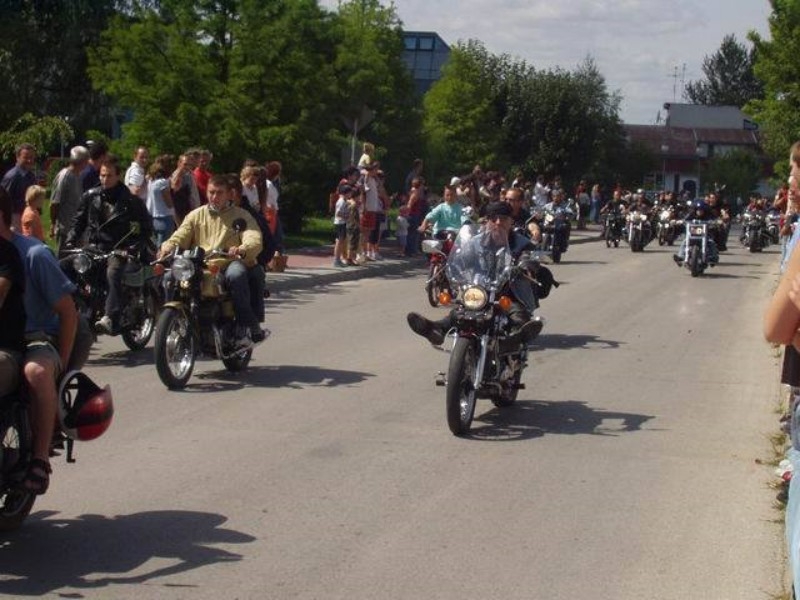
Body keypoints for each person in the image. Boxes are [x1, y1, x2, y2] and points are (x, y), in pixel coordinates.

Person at [1, 186, 92, 495]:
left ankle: (39, 460)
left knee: (37, 372)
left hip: (38, 336)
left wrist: (61, 368)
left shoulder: (34, 255)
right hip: (6, 341)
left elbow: (68, 312)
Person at [406, 201, 544, 349]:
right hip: (481, 288)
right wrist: (451, 264)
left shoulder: (521, 243)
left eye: (503, 218)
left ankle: (517, 337)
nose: (498, 222)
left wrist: (525, 264)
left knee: (515, 310)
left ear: (511, 221)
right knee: (463, 309)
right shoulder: (476, 242)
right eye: (493, 218)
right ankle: (437, 329)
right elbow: (462, 258)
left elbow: (529, 257)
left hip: (510, 290)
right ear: (487, 221)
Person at [159, 174, 265, 342]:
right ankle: (173, 319)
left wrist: (242, 249)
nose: (214, 196)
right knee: (169, 277)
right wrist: (168, 247)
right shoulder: (196, 215)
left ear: (229, 194)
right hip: (199, 262)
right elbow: (181, 235)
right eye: (211, 192)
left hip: (228, 261)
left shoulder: (241, 215)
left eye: (219, 193)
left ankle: (246, 323)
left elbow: (253, 237)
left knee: (236, 275)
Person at [66, 156, 154, 335]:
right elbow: (78, 222)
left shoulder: (131, 201)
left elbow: (145, 228)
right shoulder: (90, 196)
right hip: (93, 247)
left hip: (118, 249)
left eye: (109, 176)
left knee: (112, 272)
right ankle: (66, 305)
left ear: (118, 176)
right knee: (63, 265)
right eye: (102, 175)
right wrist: (70, 239)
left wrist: (132, 247)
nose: (104, 179)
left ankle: (109, 316)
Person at [50, 145, 90, 254]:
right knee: (64, 258)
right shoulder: (65, 176)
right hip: (65, 229)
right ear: (82, 161)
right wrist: (53, 224)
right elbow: (55, 203)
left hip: (76, 228)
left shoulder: (78, 175)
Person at [1, 142, 37, 231]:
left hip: (28, 217)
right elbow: (3, 202)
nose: (29, 160)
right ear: (17, 157)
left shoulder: (31, 176)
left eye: (31, 157)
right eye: (26, 157)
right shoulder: (12, 177)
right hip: (14, 220)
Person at [146, 154, 177, 246]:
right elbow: (168, 203)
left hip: (153, 217)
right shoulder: (163, 182)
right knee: (163, 247)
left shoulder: (151, 181)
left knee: (156, 245)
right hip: (165, 218)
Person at [333, 184, 352, 268]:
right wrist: (346, 216)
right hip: (340, 223)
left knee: (341, 242)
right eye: (350, 193)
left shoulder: (344, 201)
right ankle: (336, 260)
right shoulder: (341, 201)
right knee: (339, 242)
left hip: (343, 223)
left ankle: (338, 259)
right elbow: (338, 213)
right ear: (346, 193)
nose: (351, 194)